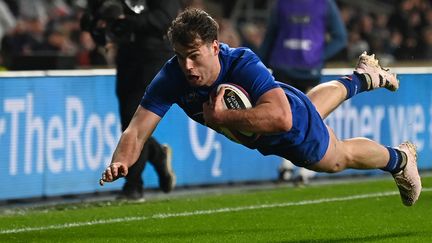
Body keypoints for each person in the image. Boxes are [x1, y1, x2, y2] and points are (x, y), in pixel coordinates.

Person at [99, 8, 422, 207]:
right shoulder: (172, 75)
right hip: (281, 110)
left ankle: (399, 159)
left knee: (336, 159)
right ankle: (361, 78)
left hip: (283, 122)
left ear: (214, 47)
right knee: (311, 108)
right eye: (180, 55)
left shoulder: (241, 63)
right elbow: (137, 129)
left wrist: (223, 116)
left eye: (194, 55)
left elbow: (282, 119)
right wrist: (121, 162)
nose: (187, 65)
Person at [81, 0, 180, 199]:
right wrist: (99, 23)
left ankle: (133, 186)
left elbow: (163, 19)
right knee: (128, 120)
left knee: (132, 116)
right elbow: (90, 16)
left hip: (154, 56)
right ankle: (157, 155)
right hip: (126, 57)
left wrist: (127, 21)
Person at [259, 0, 348, 185]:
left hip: (285, 65)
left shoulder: (281, 4)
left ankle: (290, 167)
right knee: (310, 114)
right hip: (304, 69)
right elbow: (340, 37)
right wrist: (317, 56)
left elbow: (270, 37)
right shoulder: (324, 4)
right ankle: (301, 168)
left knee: (289, 115)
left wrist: (260, 63)